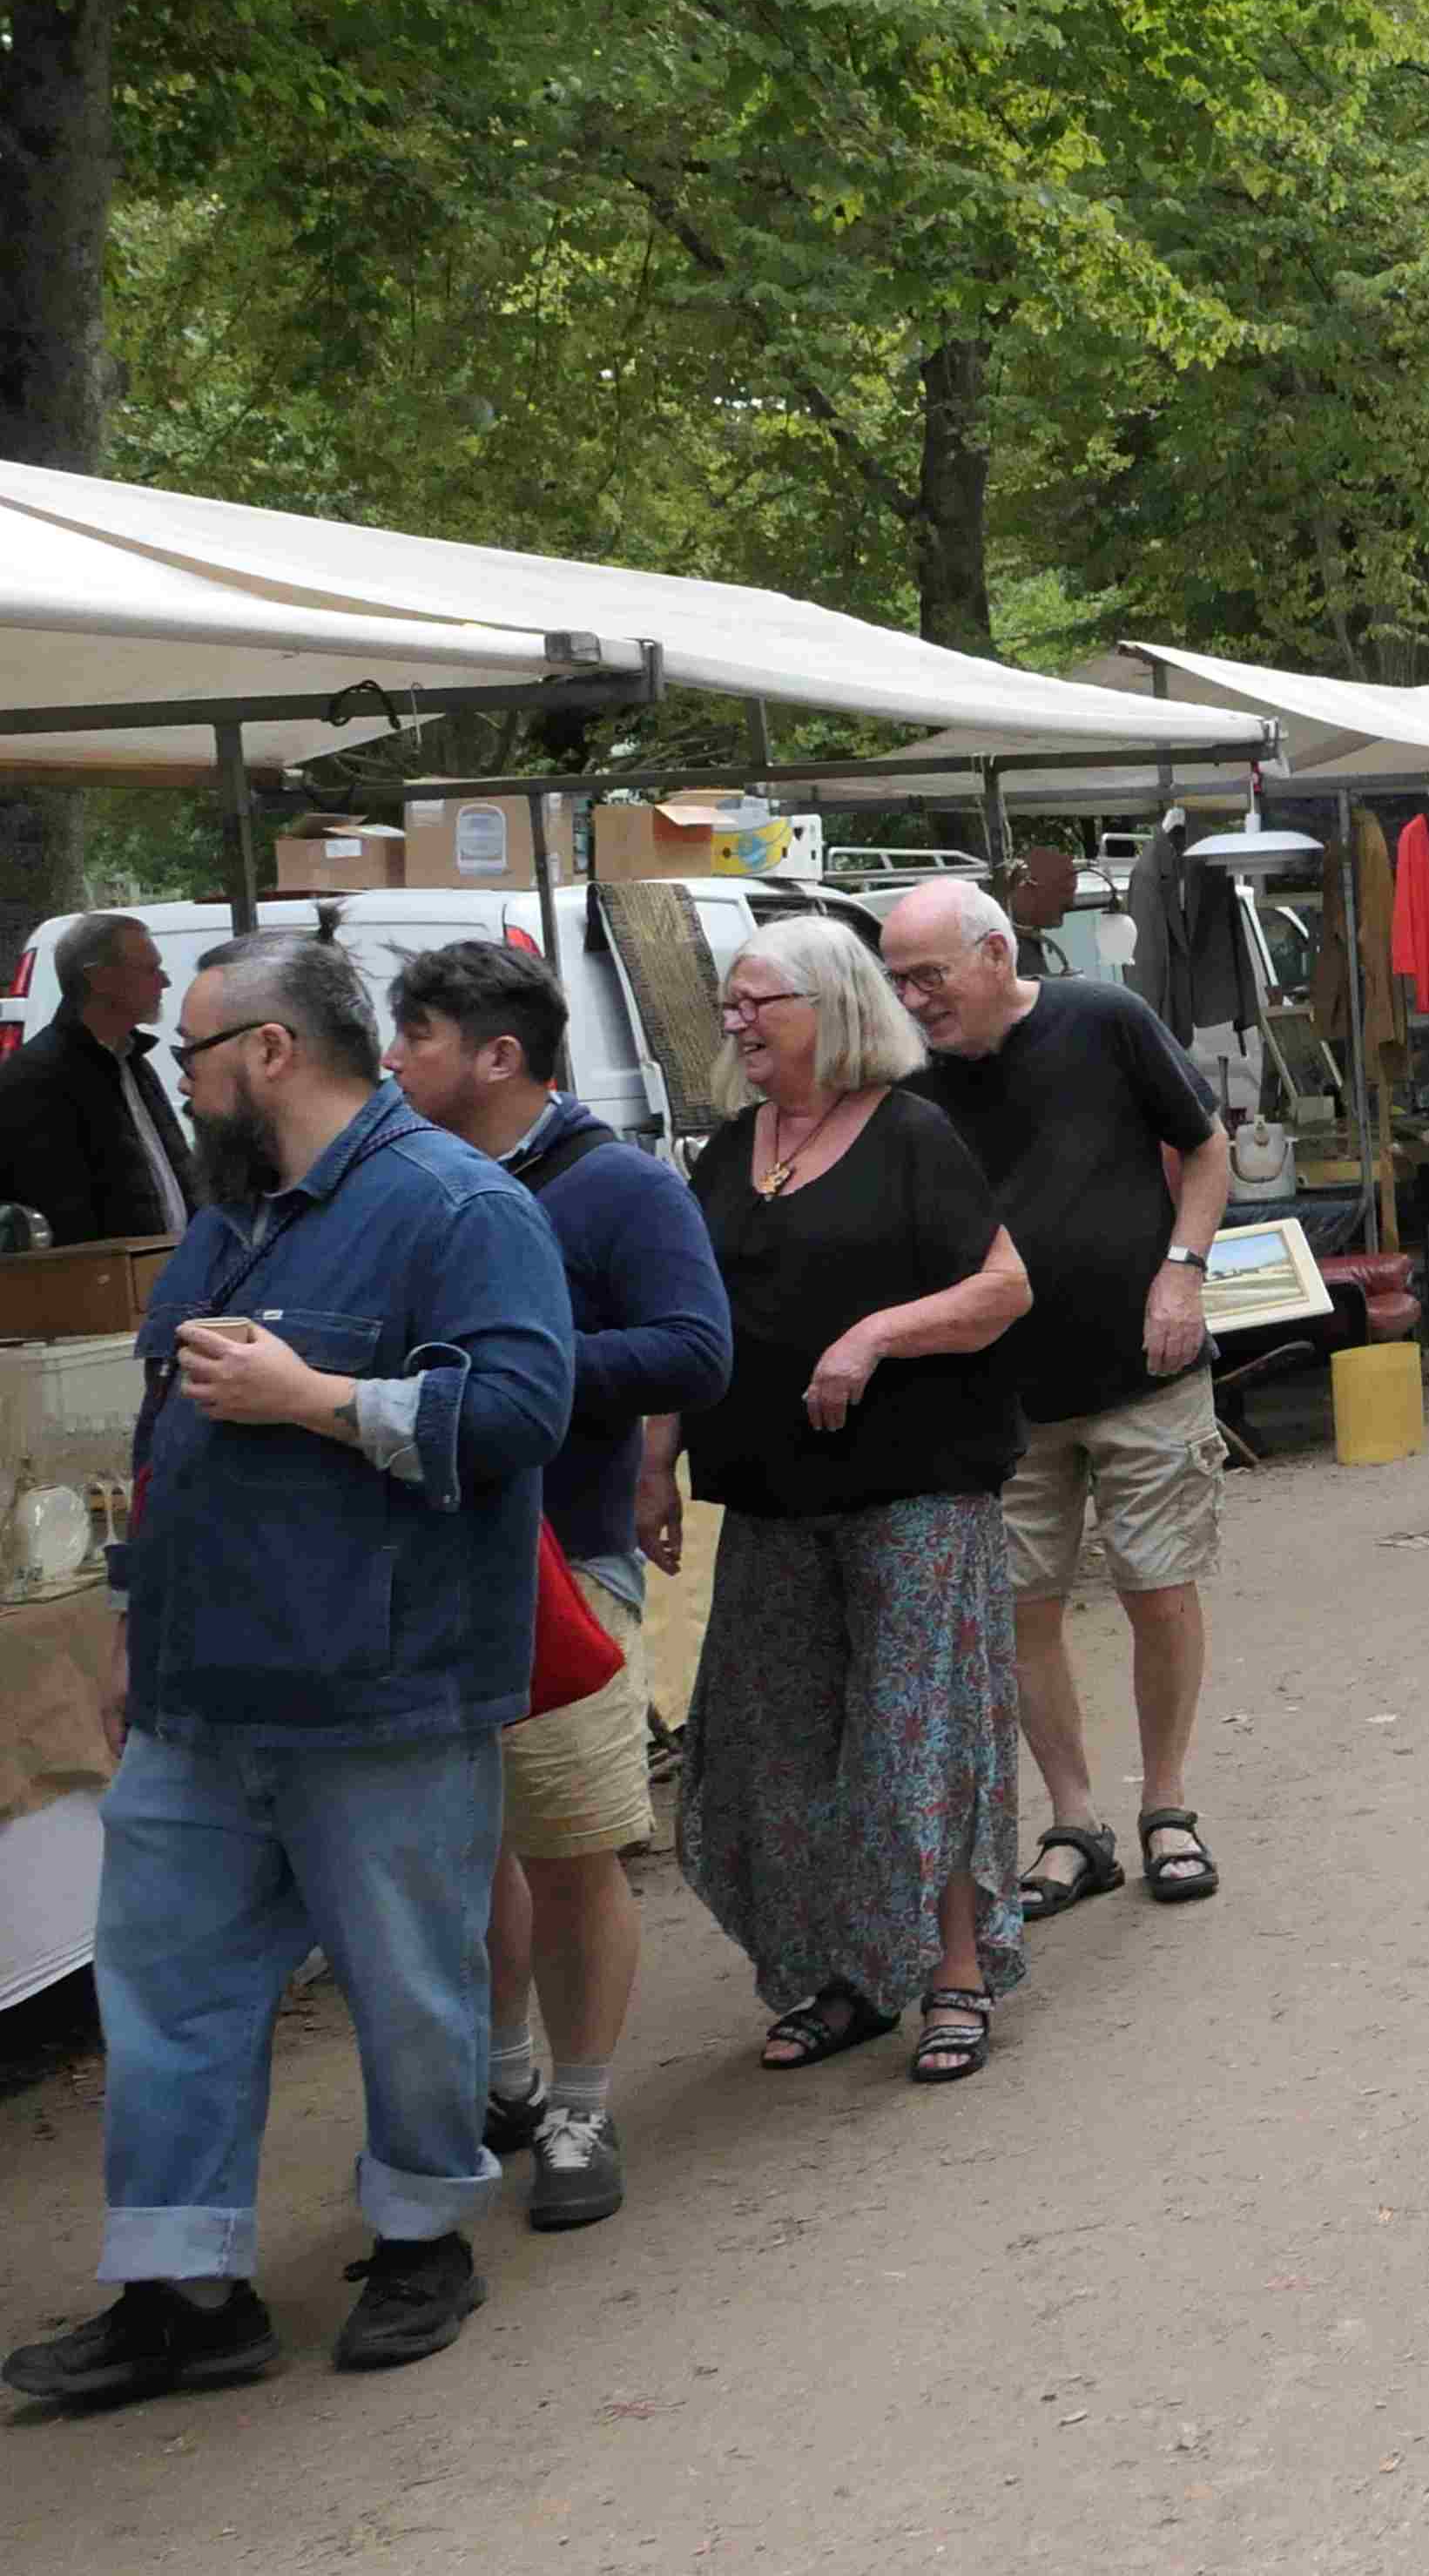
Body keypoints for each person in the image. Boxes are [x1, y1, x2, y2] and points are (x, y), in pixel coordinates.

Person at [4, 936, 573, 2405]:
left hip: (379, 1690)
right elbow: (165, 1435)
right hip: (205, 1689)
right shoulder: (231, 1219)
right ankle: (185, 2291)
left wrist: (316, 1395)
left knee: (406, 1986)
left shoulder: (458, 1204)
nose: (174, 1082)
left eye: (187, 1054)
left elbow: (516, 1410)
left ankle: (421, 2239)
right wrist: (136, 1621)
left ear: (266, 1053)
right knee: (168, 1989)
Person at [386, 940, 731, 2235]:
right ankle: (507, 2073)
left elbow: (697, 1349)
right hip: (424, 1553)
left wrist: (514, 1373)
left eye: (414, 1037)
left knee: (575, 1843)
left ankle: (581, 2103)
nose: (391, 1062)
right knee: (465, 1845)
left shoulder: (619, 1186)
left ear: (498, 1057)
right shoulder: (403, 1182)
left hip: (568, 1559)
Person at [652, 919, 1035, 2088]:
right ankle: (846, 1977)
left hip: (915, 1487)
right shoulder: (729, 1153)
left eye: (761, 1000)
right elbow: (692, 1326)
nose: (737, 1020)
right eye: (732, 1001)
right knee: (782, 1745)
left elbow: (1004, 1287)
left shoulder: (915, 1137)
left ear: (835, 1006)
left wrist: (875, 1334)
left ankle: (953, 1974)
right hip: (770, 1496)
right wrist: (650, 1465)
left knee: (916, 1736)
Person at [876, 876, 1238, 1919]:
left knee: (1158, 1587)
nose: (915, 1001)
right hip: (997, 1394)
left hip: (1142, 1366)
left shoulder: (1104, 1021)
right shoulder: (906, 1076)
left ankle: (1167, 1807)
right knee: (1023, 1611)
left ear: (997, 956)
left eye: (931, 977)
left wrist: (1184, 1268)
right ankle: (1074, 1822)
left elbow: (1208, 1149)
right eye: (899, 982)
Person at [0, 909, 198, 1244]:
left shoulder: (133, 1060)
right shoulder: (37, 1078)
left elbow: (173, 1175)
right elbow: (64, 1219)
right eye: (150, 969)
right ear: (100, 979)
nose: (165, 981)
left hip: (168, 1275)